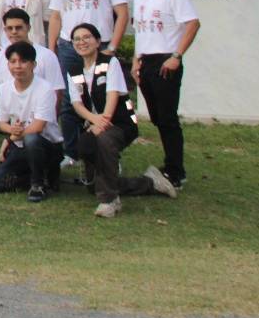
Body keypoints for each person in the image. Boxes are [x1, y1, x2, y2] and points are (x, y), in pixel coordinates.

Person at [69, 21, 178, 217]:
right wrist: (95, 120)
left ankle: (110, 201)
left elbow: (112, 95)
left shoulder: (110, 63)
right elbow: (77, 104)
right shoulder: (74, 70)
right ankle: (150, 182)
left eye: (86, 37)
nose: (81, 42)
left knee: (104, 141)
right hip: (95, 123)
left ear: (98, 41)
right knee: (86, 154)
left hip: (120, 123)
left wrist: (103, 122)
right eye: (76, 39)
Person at [46, 0, 129, 155]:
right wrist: (52, 47)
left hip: (101, 46)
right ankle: (72, 153)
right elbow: (55, 16)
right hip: (68, 47)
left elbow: (122, 14)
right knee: (68, 102)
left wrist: (112, 48)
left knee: (104, 99)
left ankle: (106, 148)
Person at [0, 7, 65, 182]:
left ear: (28, 27)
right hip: (13, 119)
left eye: (18, 27)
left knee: (31, 139)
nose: (14, 32)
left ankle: (40, 176)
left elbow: (56, 95)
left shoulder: (46, 56)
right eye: (9, 28)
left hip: (38, 123)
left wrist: (45, 122)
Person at [132, 0, 201, 188]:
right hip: (146, 61)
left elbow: (192, 23)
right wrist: (135, 60)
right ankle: (170, 163)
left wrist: (177, 55)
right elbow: (141, 31)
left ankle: (176, 171)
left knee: (168, 118)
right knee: (157, 117)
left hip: (166, 60)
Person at [0, 42, 64, 202]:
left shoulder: (45, 88)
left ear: (33, 64)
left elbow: (38, 127)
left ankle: (37, 186)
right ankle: (42, 177)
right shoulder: (4, 89)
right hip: (20, 145)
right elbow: (1, 123)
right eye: (13, 62)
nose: (18, 66)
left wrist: (11, 137)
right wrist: (11, 132)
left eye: (23, 61)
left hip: (47, 145)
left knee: (32, 139)